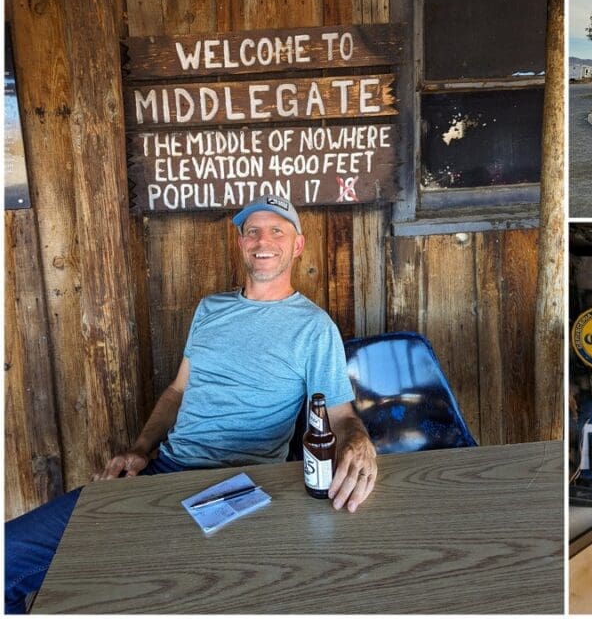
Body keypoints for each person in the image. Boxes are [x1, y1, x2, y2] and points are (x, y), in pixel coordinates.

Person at [5, 194, 377, 613]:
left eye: (277, 230)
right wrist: (141, 450)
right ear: (241, 243)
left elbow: (342, 415)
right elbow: (177, 392)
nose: (262, 240)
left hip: (241, 485)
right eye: (252, 231)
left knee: (162, 591)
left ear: (297, 245)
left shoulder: (314, 327)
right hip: (166, 470)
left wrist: (360, 442)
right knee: (8, 554)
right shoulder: (209, 309)